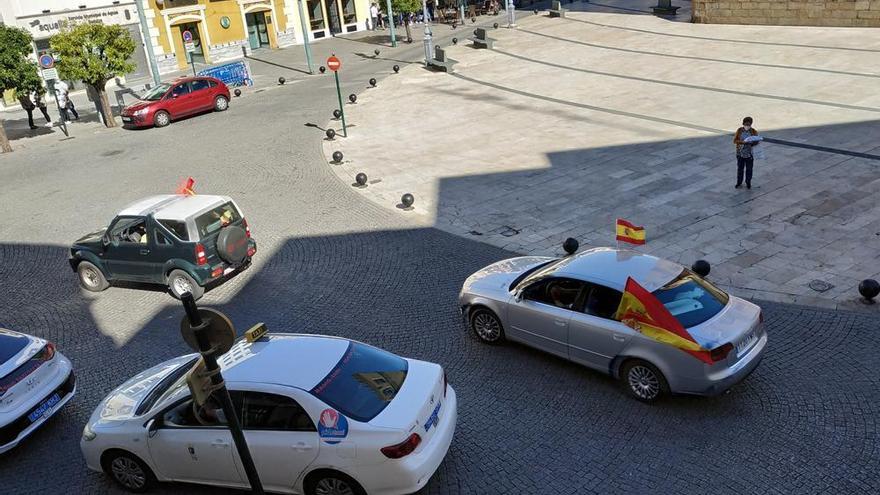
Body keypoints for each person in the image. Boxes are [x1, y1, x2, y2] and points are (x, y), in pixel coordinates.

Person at [733, 116, 759, 189]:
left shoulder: (753, 131)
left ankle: (748, 182)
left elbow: (756, 141)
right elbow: (735, 141)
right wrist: (743, 142)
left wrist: (753, 142)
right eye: (746, 124)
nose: (747, 126)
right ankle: (739, 182)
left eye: (749, 125)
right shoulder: (739, 130)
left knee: (749, 169)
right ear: (743, 124)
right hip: (740, 154)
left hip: (749, 154)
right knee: (740, 169)